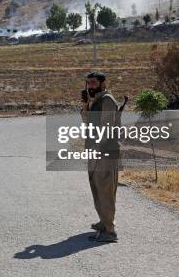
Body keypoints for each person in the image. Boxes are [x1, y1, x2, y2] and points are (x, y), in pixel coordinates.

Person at [80, 71, 120, 242]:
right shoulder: (96, 101)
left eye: (94, 83)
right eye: (88, 83)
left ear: (103, 84)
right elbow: (87, 122)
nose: (90, 86)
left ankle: (110, 232)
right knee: (97, 188)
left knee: (105, 191)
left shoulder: (107, 101)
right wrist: (85, 105)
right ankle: (104, 222)